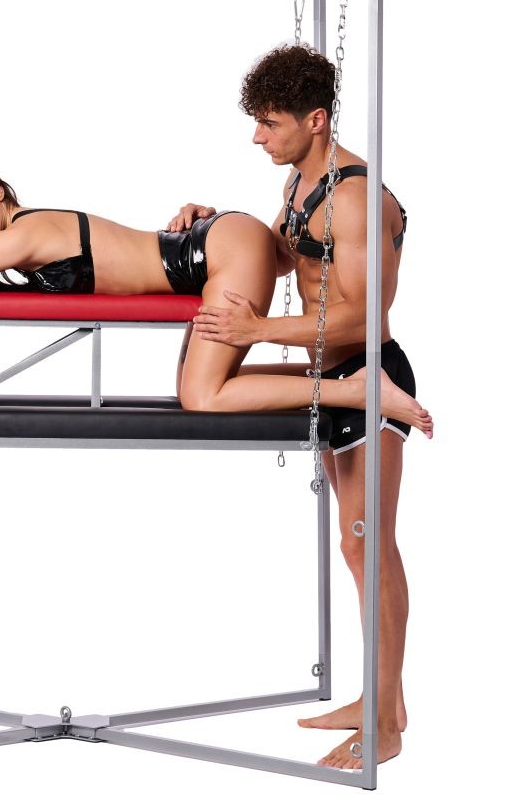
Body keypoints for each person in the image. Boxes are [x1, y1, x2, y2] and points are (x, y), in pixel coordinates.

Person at [0, 153, 432, 436]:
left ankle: (355, 388)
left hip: (222, 251)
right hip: (215, 247)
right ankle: (342, 383)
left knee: (202, 396)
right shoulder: (5, 235)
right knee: (204, 390)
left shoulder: (22, 234)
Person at [168, 44, 426, 769]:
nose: (258, 136)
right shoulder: (300, 181)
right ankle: (380, 699)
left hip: (369, 369)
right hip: (328, 370)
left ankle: (386, 720)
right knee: (353, 543)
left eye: (270, 123)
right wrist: (214, 223)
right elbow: (297, 257)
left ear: (315, 120)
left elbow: (365, 316)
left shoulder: (357, 198)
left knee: (370, 544)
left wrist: (256, 330)